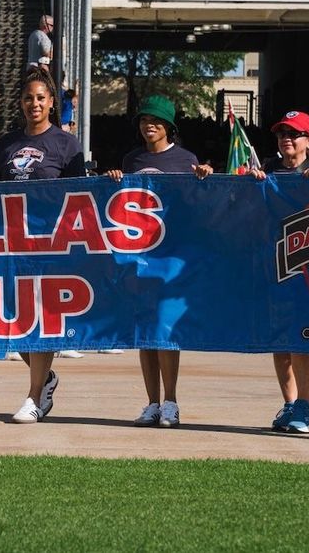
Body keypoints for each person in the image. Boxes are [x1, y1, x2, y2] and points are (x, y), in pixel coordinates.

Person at [0, 69, 84, 423]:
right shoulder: (7, 144)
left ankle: (33, 396)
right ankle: (46, 378)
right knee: (10, 322)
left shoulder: (66, 145)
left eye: (41, 97)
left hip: (49, 247)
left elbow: (79, 197)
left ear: (52, 102)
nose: (34, 103)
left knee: (40, 321)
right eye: (28, 98)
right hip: (9, 246)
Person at [103, 95, 202, 428]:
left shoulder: (186, 159)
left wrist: (204, 180)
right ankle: (152, 403)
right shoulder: (132, 159)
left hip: (171, 257)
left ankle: (171, 401)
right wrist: (115, 178)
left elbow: (195, 206)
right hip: (139, 257)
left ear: (169, 126)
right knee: (145, 330)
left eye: (156, 121)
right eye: (145, 120)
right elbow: (120, 202)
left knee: (165, 328)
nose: (150, 125)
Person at [246, 111, 309, 434]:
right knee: (280, 341)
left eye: (293, 134)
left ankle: (305, 405)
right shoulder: (267, 169)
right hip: (273, 265)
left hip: (308, 267)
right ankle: (291, 404)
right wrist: (251, 183)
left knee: (303, 337)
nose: (286, 140)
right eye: (282, 134)